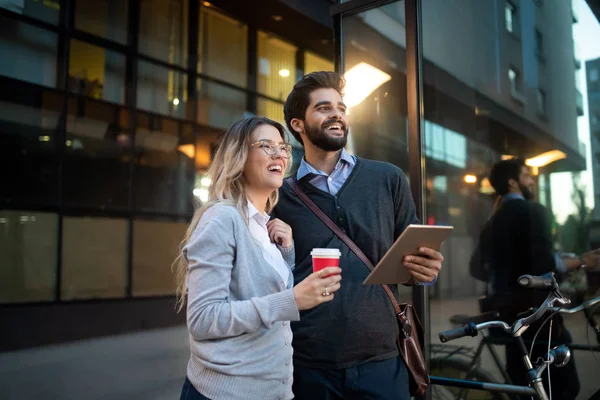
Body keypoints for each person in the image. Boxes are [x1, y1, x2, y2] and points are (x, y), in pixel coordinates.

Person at [271, 71, 444, 400]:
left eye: (341, 107)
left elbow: (414, 254)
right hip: (308, 362)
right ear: (297, 124)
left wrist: (427, 271)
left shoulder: (388, 178)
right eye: (323, 108)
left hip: (381, 356)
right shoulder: (281, 195)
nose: (337, 114)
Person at [173, 116, 342, 400]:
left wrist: (286, 254)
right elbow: (203, 319)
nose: (279, 153)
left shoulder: (264, 226)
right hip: (226, 393)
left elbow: (257, 293)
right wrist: (292, 301)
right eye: (265, 145)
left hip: (273, 389)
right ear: (239, 156)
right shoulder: (222, 218)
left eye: (283, 147)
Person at [474, 158, 600, 399]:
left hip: (509, 318)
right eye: (526, 175)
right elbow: (543, 264)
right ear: (513, 182)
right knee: (565, 387)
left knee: (523, 390)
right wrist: (583, 261)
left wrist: (508, 278)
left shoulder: (493, 220)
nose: (531, 180)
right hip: (538, 317)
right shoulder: (532, 210)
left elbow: (477, 267)